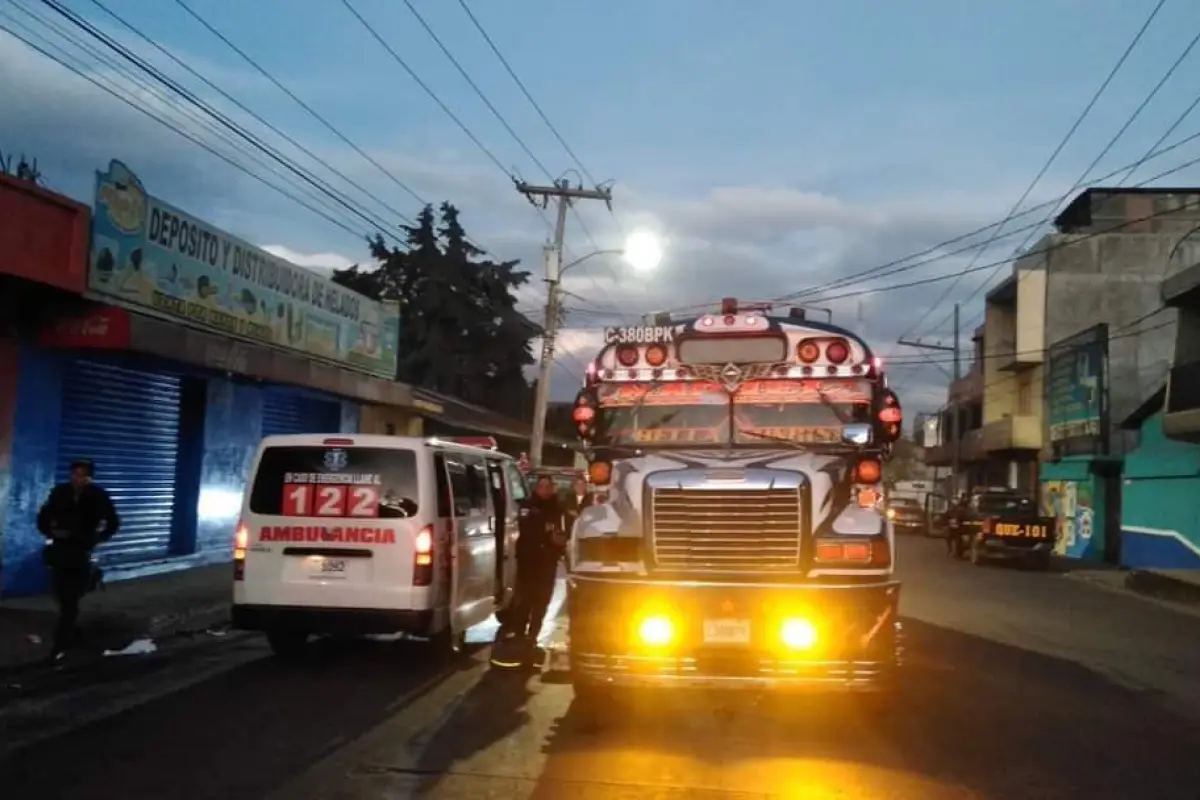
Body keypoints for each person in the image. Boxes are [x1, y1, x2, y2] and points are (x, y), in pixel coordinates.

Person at [36, 459, 120, 661]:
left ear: (90, 476)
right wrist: (51, 531)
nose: (77, 478)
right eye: (74, 474)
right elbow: (44, 516)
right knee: (61, 593)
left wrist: (96, 538)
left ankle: (62, 641)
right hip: (60, 549)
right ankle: (71, 628)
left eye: (82, 475)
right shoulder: (60, 492)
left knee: (71, 595)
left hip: (81, 551)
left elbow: (113, 522)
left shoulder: (98, 495)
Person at [499, 475, 567, 653]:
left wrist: (558, 541)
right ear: (536, 488)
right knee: (524, 600)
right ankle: (519, 634)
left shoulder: (558, 509)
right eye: (542, 486)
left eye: (548, 486)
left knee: (542, 602)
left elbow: (563, 532)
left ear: (553, 488)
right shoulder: (527, 507)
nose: (545, 490)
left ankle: (533, 636)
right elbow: (526, 531)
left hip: (548, 563)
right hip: (528, 562)